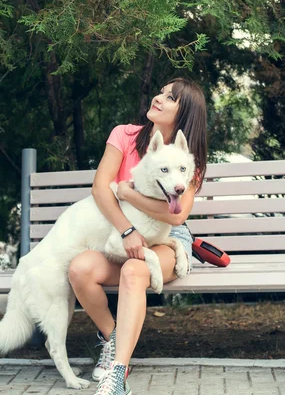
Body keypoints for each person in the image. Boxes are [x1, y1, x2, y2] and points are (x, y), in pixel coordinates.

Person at [67, 77, 208, 395]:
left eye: (169, 97)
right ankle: (113, 338)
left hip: (167, 238)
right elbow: (101, 188)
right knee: (79, 269)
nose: (159, 98)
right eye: (161, 91)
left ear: (183, 113)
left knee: (134, 270)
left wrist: (129, 196)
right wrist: (127, 229)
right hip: (121, 232)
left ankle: (118, 373)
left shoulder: (188, 158)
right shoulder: (125, 135)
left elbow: (177, 214)